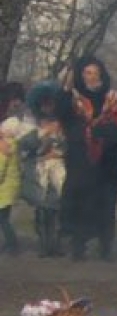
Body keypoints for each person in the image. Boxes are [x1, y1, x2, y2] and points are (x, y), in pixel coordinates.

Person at [64, 55, 117, 261]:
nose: (91, 77)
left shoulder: (112, 100)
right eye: (87, 73)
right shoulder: (73, 100)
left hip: (107, 164)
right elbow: (67, 124)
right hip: (81, 162)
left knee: (106, 206)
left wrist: (100, 132)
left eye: (95, 73)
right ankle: (78, 246)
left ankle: (105, 247)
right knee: (80, 204)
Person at [19, 82, 70, 257]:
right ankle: (43, 245)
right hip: (40, 171)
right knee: (41, 210)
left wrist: (60, 151)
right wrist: (42, 134)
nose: (48, 107)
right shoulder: (32, 125)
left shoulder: (63, 125)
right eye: (45, 104)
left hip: (59, 170)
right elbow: (25, 145)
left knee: (57, 210)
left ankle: (55, 245)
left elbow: (70, 146)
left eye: (51, 104)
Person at [0, 116, 23, 254]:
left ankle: (12, 245)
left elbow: (1, 167)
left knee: (3, 220)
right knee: (4, 219)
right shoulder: (14, 144)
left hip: (3, 189)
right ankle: (11, 244)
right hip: (10, 187)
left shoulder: (4, 146)